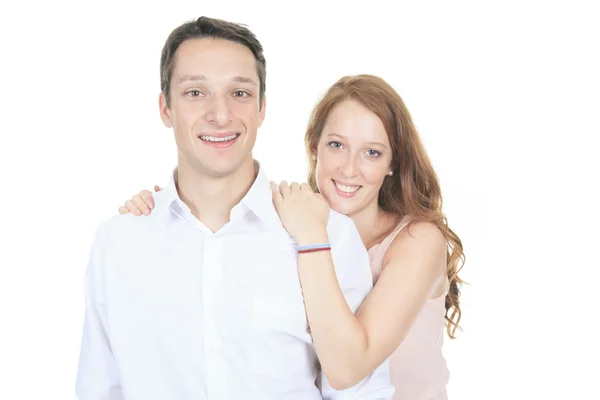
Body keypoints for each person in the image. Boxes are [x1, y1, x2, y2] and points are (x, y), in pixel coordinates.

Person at [75, 16, 395, 400]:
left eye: (239, 94)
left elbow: (359, 393)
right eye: (196, 93)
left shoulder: (330, 237)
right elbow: (99, 388)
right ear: (165, 109)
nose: (221, 114)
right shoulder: (119, 242)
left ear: (261, 108)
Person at [120, 74, 465, 399]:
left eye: (371, 152)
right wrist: (160, 209)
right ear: (314, 147)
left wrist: (313, 236)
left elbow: (347, 369)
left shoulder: (418, 240)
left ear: (393, 162)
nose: (349, 168)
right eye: (336, 145)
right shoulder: (288, 219)